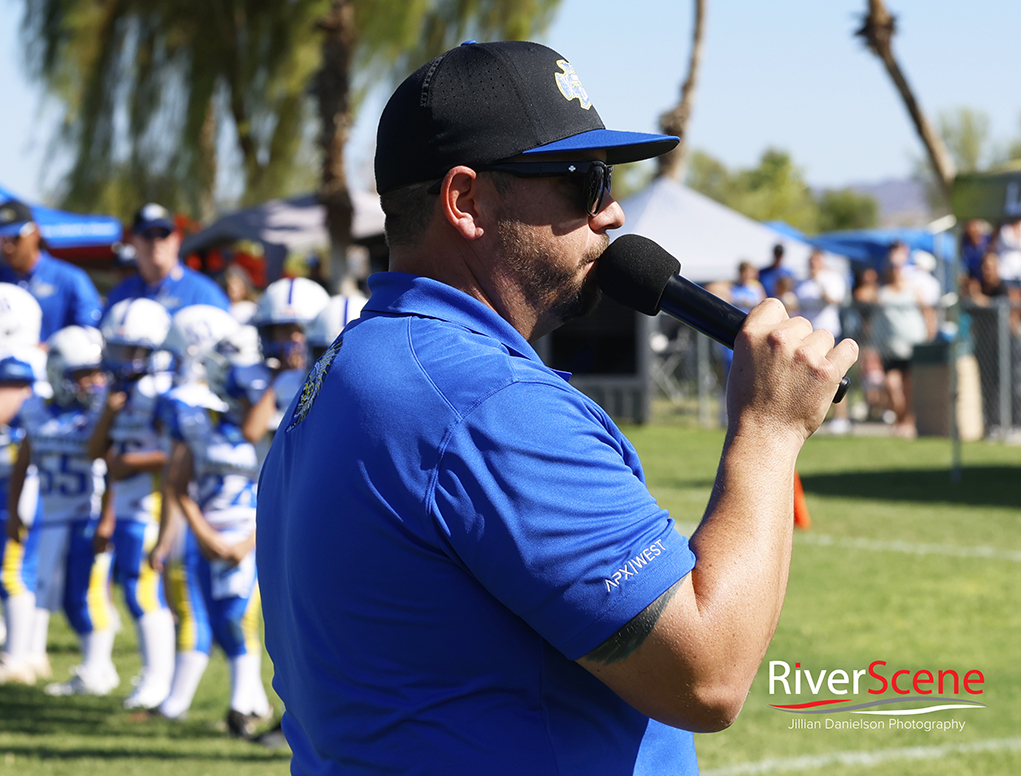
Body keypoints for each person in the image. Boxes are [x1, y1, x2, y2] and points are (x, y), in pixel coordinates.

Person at [256, 40, 857, 776]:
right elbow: (707, 675)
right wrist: (768, 429)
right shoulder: (485, 402)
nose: (612, 213)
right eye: (582, 181)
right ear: (465, 201)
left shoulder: (349, 368)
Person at [154, 307, 273, 737]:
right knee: (220, 619)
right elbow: (177, 486)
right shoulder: (197, 422)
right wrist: (202, 534)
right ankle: (251, 700)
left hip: (251, 537)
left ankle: (243, 708)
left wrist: (250, 540)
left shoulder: (278, 429)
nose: (256, 403)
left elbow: (284, 495)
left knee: (238, 618)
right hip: (209, 536)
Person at [11, 326, 119, 696]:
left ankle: (98, 668)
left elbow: (115, 467)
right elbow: (23, 462)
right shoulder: (35, 409)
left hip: (88, 512)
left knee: (86, 595)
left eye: (97, 372)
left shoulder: (104, 412)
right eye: (83, 374)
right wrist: (12, 511)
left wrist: (109, 517)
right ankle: (92, 668)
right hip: (52, 516)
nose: (94, 382)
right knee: (52, 595)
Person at [88, 298, 177, 710]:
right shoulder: (117, 392)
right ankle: (153, 676)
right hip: (125, 504)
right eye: (118, 349)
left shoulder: (162, 393)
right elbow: (95, 451)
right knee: (132, 589)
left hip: (152, 504)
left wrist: (128, 462)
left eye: (134, 350)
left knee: (144, 593)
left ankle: (159, 682)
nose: (123, 359)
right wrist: (107, 413)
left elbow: (179, 452)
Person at [0, 284, 47, 685]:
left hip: (24, 478)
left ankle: (18, 656)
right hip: (18, 475)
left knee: (16, 569)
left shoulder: (20, 363)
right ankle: (26, 651)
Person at [102, 203, 230, 317]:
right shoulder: (121, 294)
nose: (156, 242)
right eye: (148, 235)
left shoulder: (204, 294)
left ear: (176, 239)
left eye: (163, 234)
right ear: (133, 241)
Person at [0, 199, 103, 340]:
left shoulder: (70, 279)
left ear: (35, 233)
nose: (8, 247)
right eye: (2, 239)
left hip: (53, 362)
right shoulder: (2, 278)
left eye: (15, 238)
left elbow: (91, 335)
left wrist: (50, 350)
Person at [872, 242, 931, 437]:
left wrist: (929, 335)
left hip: (912, 345)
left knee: (909, 387)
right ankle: (900, 418)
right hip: (890, 348)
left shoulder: (913, 290)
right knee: (892, 385)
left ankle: (908, 422)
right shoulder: (882, 293)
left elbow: (928, 313)